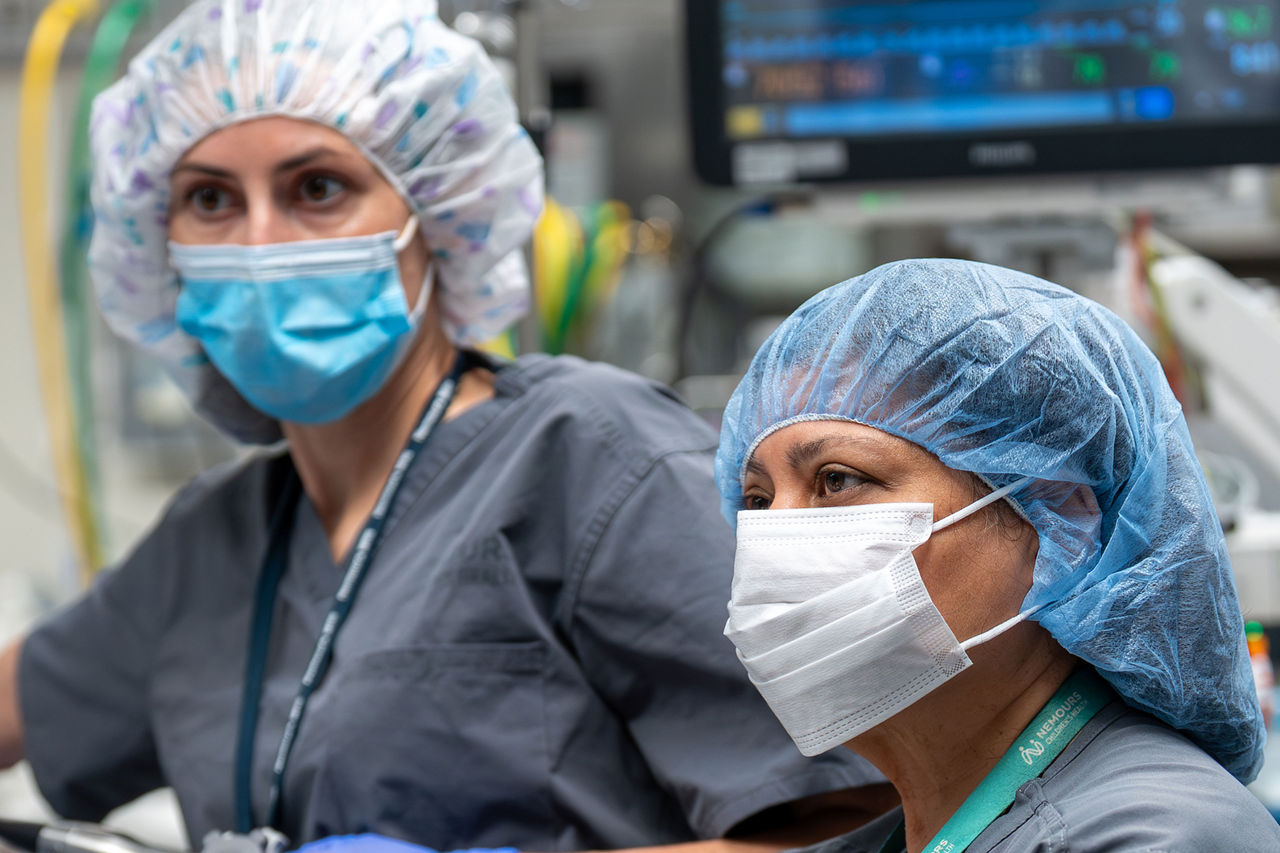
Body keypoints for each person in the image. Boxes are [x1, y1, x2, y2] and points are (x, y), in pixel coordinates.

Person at [0, 0, 895, 848]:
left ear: (436, 215)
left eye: (317, 187)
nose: (259, 242)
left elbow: (854, 827)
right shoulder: (216, 538)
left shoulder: (591, 457)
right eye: (209, 200)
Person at [713, 258, 1280, 853]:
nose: (773, 537)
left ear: (1062, 515)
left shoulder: (1158, 835)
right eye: (757, 498)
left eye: (837, 480)